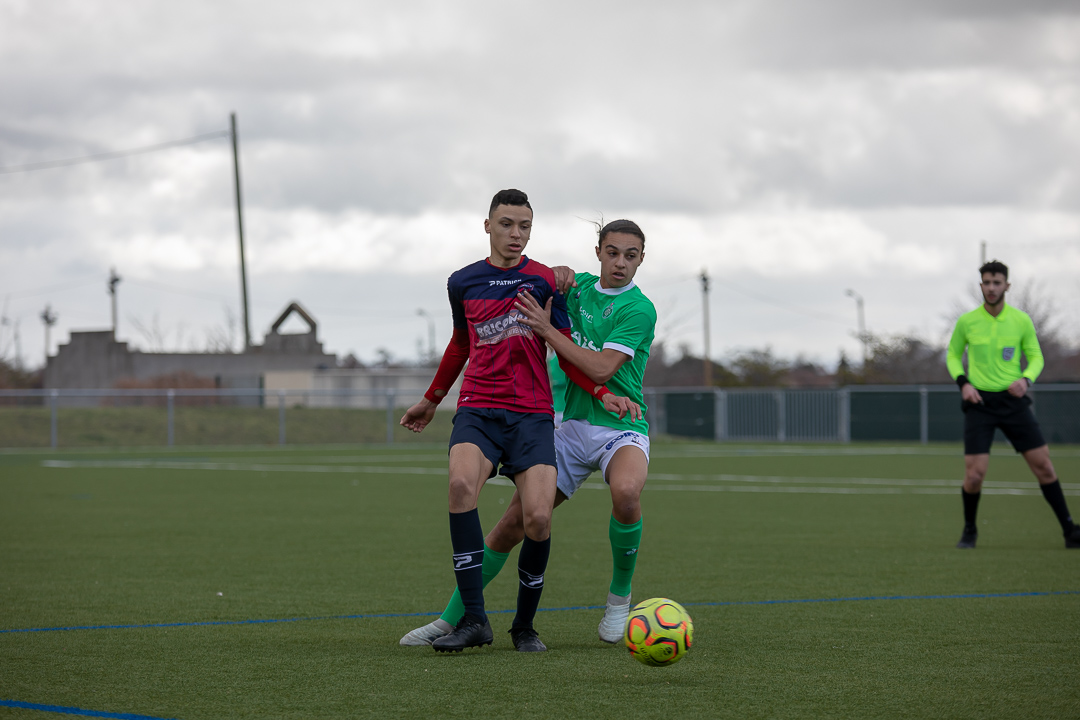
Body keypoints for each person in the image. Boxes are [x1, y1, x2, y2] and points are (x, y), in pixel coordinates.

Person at [399, 191, 639, 653]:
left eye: (524, 226)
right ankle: (473, 620)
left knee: (538, 519)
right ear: (487, 225)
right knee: (460, 487)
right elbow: (458, 345)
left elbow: (566, 352)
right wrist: (431, 400)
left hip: (531, 415)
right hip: (479, 409)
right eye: (507, 224)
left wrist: (602, 392)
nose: (516, 234)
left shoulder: (546, 281)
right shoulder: (462, 282)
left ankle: (524, 627)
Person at [946, 259, 1079, 549]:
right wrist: (963, 383)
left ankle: (1070, 531)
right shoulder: (967, 322)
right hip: (979, 402)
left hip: (1013, 402)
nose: (991, 288)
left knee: (1044, 467)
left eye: (997, 282)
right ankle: (969, 530)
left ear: (1007, 285)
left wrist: (1026, 379)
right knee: (975, 475)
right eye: (987, 282)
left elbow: (1036, 357)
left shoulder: (1020, 321)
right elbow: (953, 356)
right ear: (980, 285)